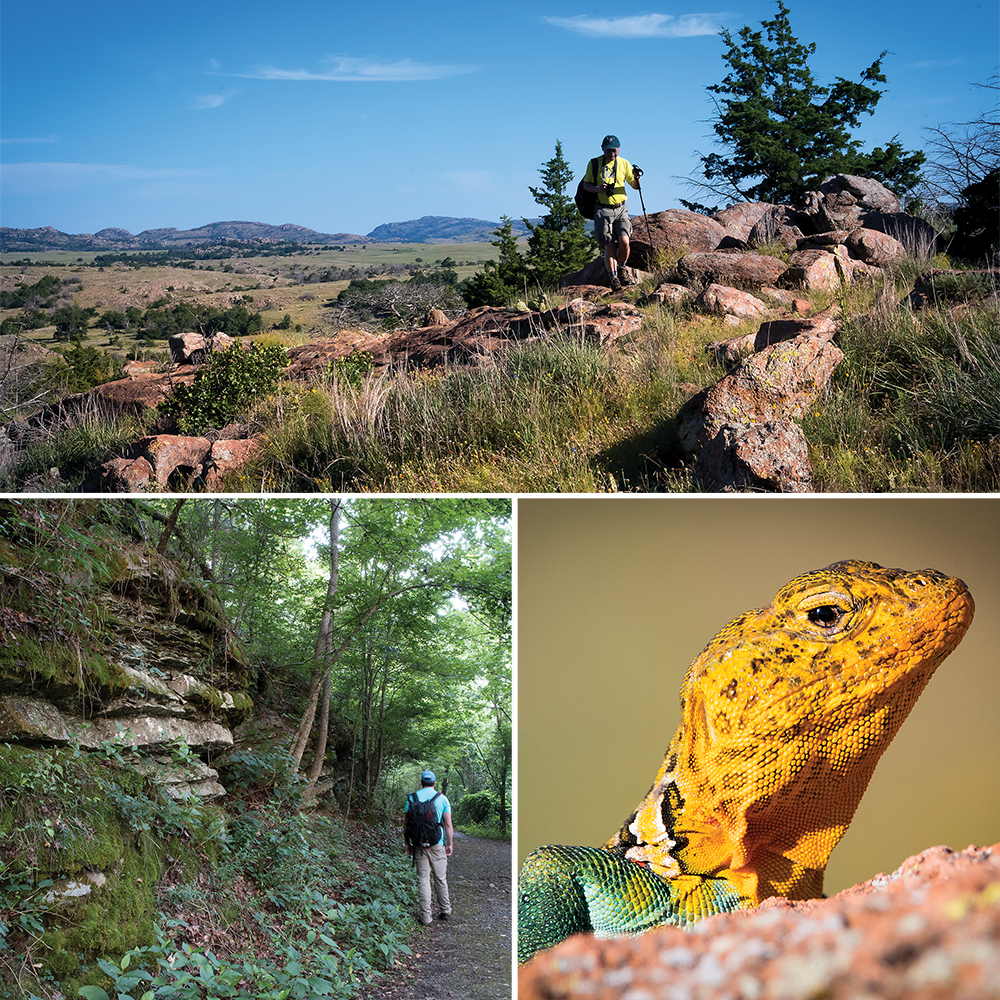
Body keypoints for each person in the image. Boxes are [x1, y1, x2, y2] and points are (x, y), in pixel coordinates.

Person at [581, 135, 643, 292]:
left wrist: (637, 177)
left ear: (619, 149)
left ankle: (622, 267)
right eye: (609, 151)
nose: (612, 154)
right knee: (608, 245)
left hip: (621, 208)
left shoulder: (624, 163)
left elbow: (635, 186)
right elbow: (586, 185)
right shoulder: (594, 164)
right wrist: (597, 189)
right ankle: (613, 278)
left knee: (625, 241)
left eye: (615, 151)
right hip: (602, 209)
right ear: (603, 149)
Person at [403, 769, 453, 925]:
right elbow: (448, 825)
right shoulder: (442, 798)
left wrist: (408, 844)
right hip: (437, 844)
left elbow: (406, 824)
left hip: (419, 845)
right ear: (435, 783)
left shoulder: (411, 798)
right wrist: (449, 844)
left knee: (423, 880)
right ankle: (445, 911)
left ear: (421, 782)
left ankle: (426, 918)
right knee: (440, 878)